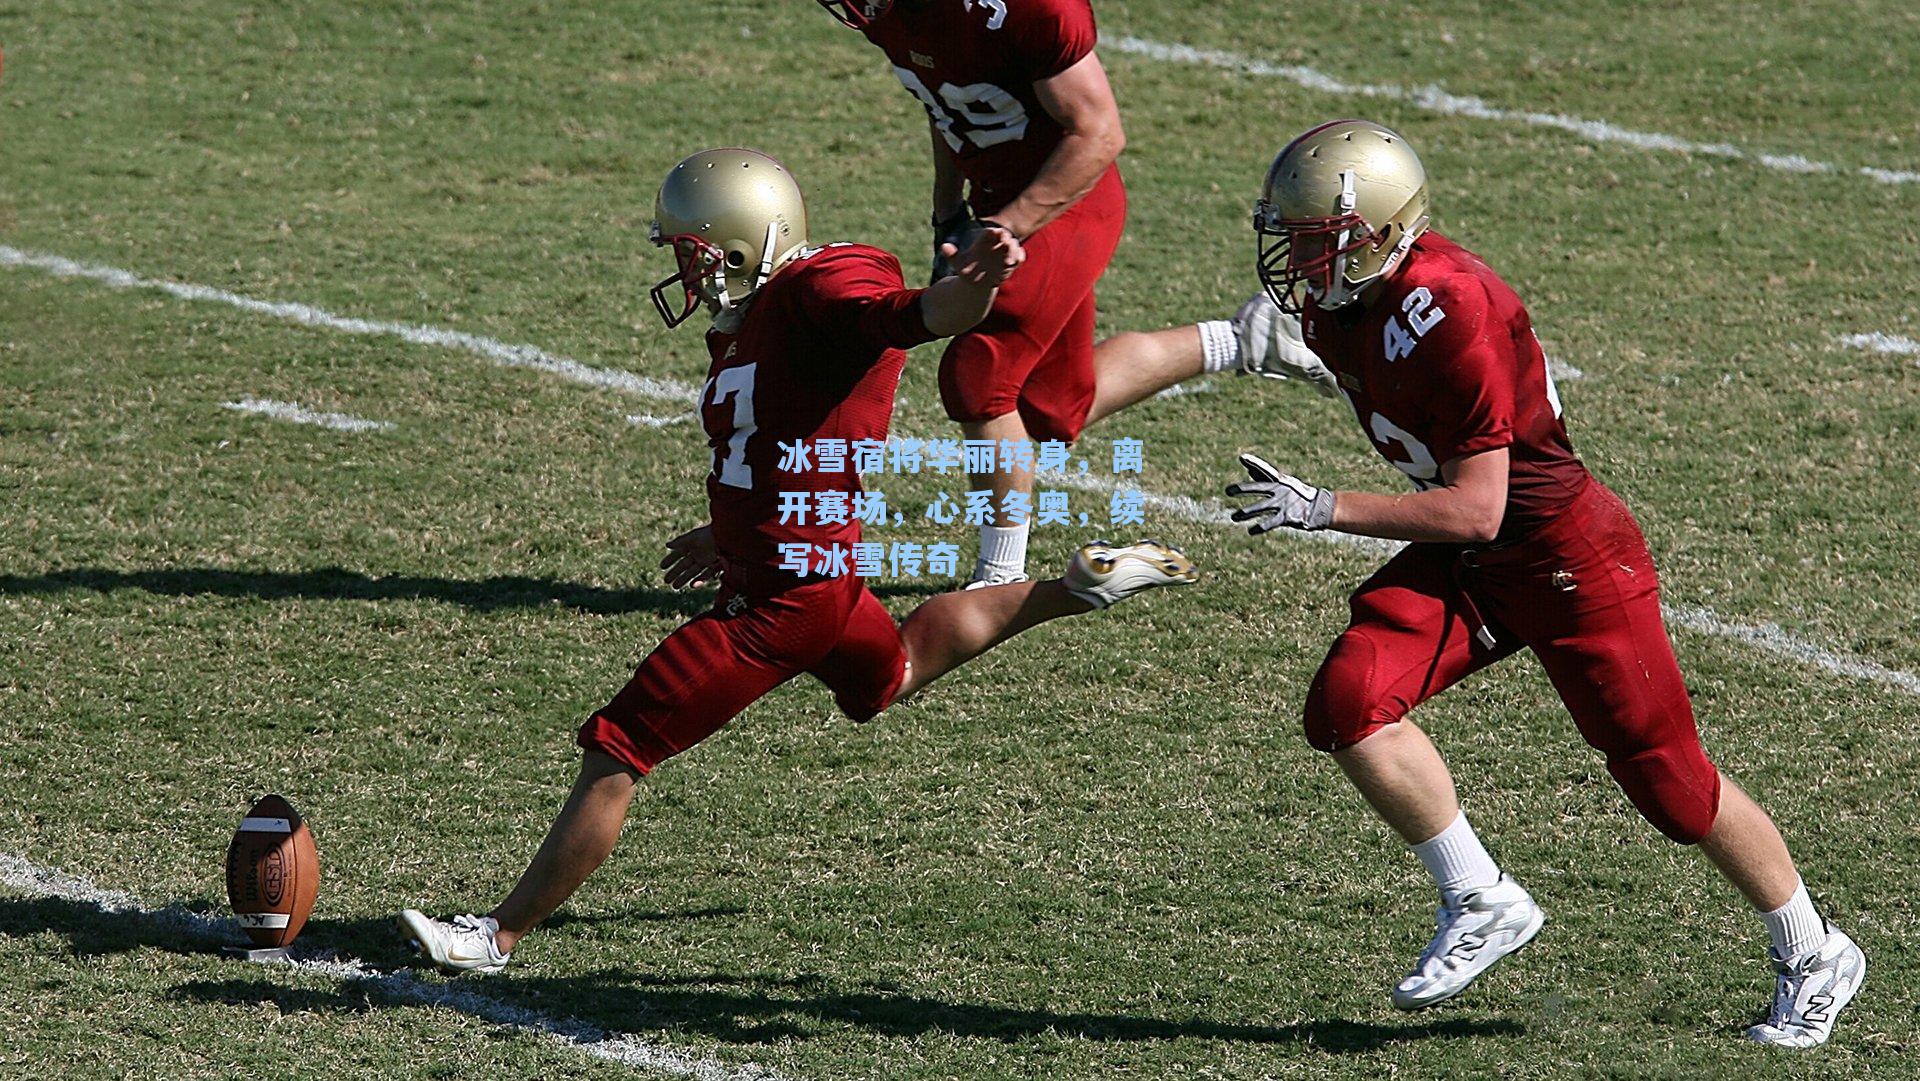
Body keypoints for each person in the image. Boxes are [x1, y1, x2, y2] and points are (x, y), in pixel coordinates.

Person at [398, 147, 1197, 972]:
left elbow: (921, 314)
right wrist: (729, 529)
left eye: (695, 251)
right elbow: (783, 435)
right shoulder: (761, 315)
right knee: (893, 673)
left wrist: (977, 286)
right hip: (820, 577)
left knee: (619, 746)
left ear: (745, 243)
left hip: (779, 603)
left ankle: (494, 935)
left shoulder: (822, 290)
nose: (686, 269)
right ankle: (1076, 587)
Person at [1223, 120, 1863, 1048]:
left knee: (1669, 782)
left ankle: (1816, 948)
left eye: (1318, 238)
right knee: (1349, 701)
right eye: (1293, 235)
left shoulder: (1454, 307)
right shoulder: (1338, 302)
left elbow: (1478, 508)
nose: (1299, 258)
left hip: (1562, 552)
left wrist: (1324, 507)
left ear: (1379, 232)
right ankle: (1480, 896)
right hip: (1481, 560)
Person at [818, 0, 1326, 588]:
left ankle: (1001, 575)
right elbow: (948, 107)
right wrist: (949, 210)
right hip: (999, 203)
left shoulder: (1025, 9)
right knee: (1054, 408)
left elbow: (1099, 132)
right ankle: (1247, 339)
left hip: (1068, 204)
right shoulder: (893, 14)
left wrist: (1008, 226)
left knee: (978, 376)